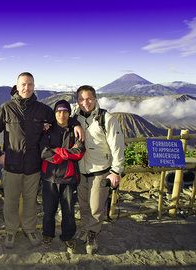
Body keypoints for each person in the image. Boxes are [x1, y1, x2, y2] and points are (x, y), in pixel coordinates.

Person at [0, 72, 83, 248]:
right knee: (10, 202)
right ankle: (10, 231)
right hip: (11, 166)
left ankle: (30, 229)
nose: (26, 88)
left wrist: (75, 123)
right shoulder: (6, 108)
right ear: (17, 86)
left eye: (30, 84)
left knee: (31, 202)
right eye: (23, 84)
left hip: (33, 167)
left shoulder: (42, 109)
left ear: (34, 86)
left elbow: (61, 118)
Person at [72, 85, 125, 255]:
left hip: (100, 170)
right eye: (81, 99)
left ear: (95, 99)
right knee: (84, 204)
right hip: (80, 170)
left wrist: (116, 171)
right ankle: (85, 229)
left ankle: (92, 234)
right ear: (77, 101)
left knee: (96, 206)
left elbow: (117, 146)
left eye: (89, 99)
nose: (85, 102)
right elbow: (59, 116)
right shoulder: (75, 116)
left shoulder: (106, 119)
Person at [40, 100, 85, 254]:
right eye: (59, 111)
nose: (62, 114)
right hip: (50, 178)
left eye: (65, 111)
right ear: (55, 113)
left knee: (68, 211)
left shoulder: (75, 131)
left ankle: (68, 237)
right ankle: (47, 235)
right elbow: (44, 152)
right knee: (48, 211)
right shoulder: (47, 130)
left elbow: (79, 152)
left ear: (69, 113)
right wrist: (65, 153)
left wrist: (57, 152)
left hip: (69, 178)